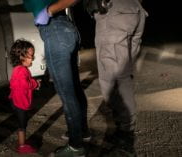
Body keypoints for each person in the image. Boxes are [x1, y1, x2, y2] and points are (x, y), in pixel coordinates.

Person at [23, 0, 90, 156]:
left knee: (67, 93)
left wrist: (49, 11)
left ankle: (76, 147)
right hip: (66, 29)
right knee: (74, 88)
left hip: (54, 31)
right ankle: (82, 132)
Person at [85, 0, 148, 155]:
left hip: (114, 11)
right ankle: (125, 132)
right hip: (135, 9)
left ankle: (125, 140)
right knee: (123, 76)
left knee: (112, 81)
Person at [8, 39, 41, 154]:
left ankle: (22, 143)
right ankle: (22, 146)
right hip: (19, 103)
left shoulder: (20, 69)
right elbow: (24, 84)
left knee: (22, 123)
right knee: (22, 125)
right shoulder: (21, 70)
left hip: (16, 101)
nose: (33, 58)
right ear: (21, 57)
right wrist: (35, 83)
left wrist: (33, 83)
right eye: (31, 56)